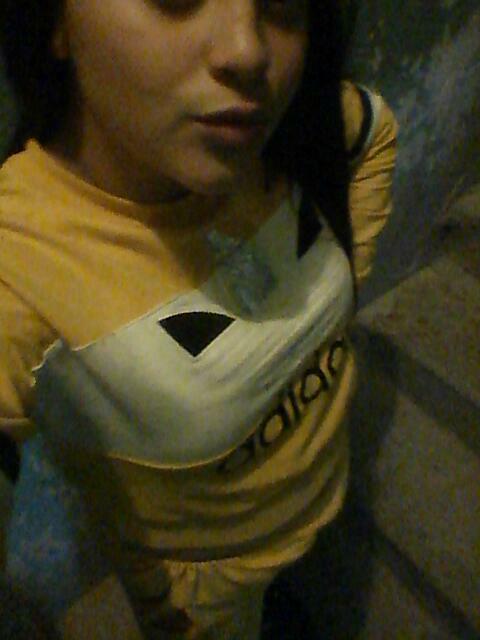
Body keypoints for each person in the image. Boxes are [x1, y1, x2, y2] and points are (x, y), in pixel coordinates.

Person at [0, 0, 398, 637]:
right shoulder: (20, 257)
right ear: (56, 23)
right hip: (206, 592)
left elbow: (373, 133)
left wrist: (343, 293)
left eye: (283, 4)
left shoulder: (292, 130)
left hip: (322, 496)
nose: (249, 50)